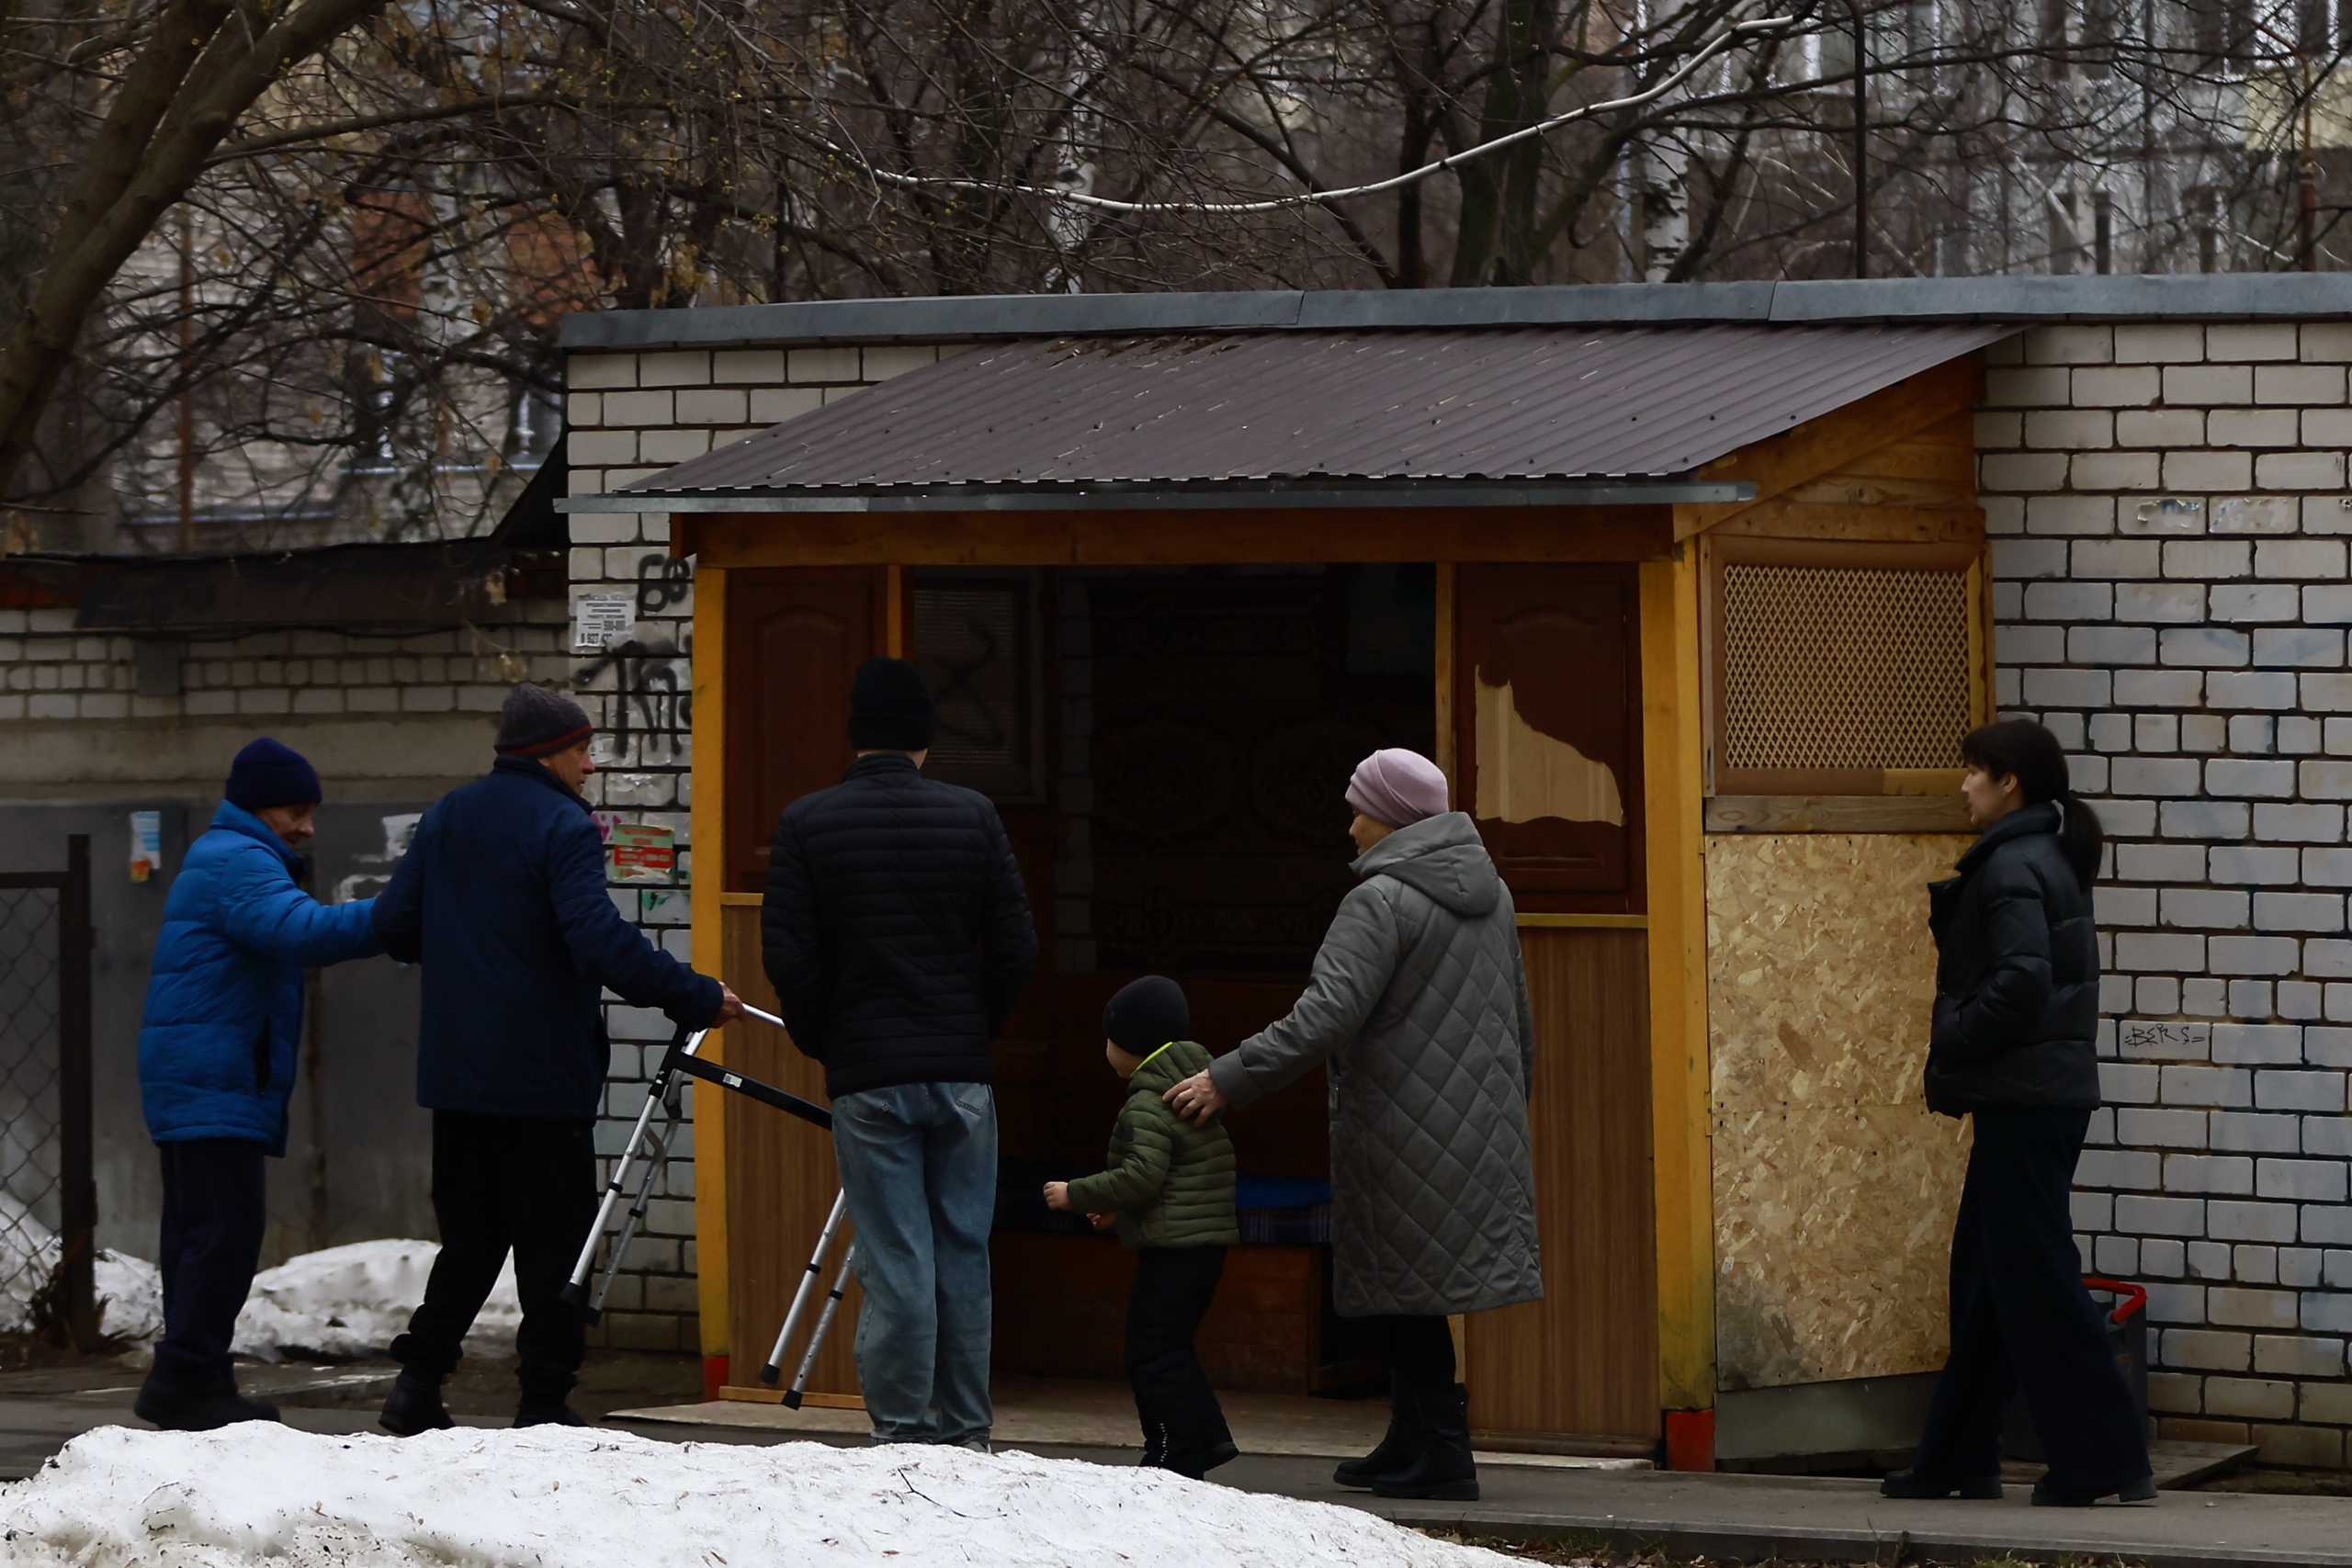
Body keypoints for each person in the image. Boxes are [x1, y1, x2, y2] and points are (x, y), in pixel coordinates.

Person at [1162, 747, 1539, 1503]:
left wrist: (1227, 1078)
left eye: (1361, 808)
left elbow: (1323, 1016)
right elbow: (1519, 1017)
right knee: (1415, 1289)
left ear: (1395, 816)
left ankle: (1443, 1450)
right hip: (1477, 1126)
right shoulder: (1489, 891)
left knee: (1409, 1291)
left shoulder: (1381, 901)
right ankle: (1411, 1438)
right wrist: (1509, 1109)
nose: (1351, 824)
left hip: (1403, 1127)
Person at [370, 682, 741, 1434]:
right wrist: (695, 995)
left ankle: (417, 1383)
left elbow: (395, 925)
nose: (591, 765)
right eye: (582, 749)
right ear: (549, 753)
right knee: (553, 1244)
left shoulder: (448, 814)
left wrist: (467, 950)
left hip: (459, 1076)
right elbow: (598, 940)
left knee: (471, 1239)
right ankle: (543, 1400)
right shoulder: (563, 824)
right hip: (540, 1077)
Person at [763, 656, 1037, 1450]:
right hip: (961, 1074)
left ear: (856, 737)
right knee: (962, 1249)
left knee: (896, 1253)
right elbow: (1016, 943)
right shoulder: (975, 815)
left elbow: (788, 953)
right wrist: (973, 1024)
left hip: (869, 1073)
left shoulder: (806, 822)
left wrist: (826, 1036)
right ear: (924, 737)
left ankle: (904, 1433)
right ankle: (968, 1428)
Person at [1882, 718, 2155, 1508]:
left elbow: (2024, 979)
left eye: (1974, 772)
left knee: (2035, 1278)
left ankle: (2106, 1458)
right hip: (2045, 1096)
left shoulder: (2011, 866)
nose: (1963, 784)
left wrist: (1955, 1037)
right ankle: (1957, 1457)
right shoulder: (2046, 855)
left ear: (2011, 783)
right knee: (1987, 1278)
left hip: (2026, 1098)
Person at [134, 738, 383, 1431]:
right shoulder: (241, 858)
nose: (307, 825)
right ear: (257, 807)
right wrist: (392, 915)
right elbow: (298, 930)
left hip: (198, 1073)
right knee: (225, 1231)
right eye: (295, 810)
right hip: (216, 1075)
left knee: (199, 1231)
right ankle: (185, 1375)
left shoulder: (226, 853)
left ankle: (198, 1374)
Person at [1044, 975, 1239, 1479]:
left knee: (1149, 1353)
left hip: (1175, 1250)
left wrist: (1077, 1193)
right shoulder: (1187, 1086)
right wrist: (1121, 1211)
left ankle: (1172, 1453)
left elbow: (1141, 1176)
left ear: (1132, 1044)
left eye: (1109, 1038)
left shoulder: (1147, 1102)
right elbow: (1172, 1176)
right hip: (1203, 1245)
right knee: (1170, 1345)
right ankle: (1206, 1439)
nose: (1105, 1049)